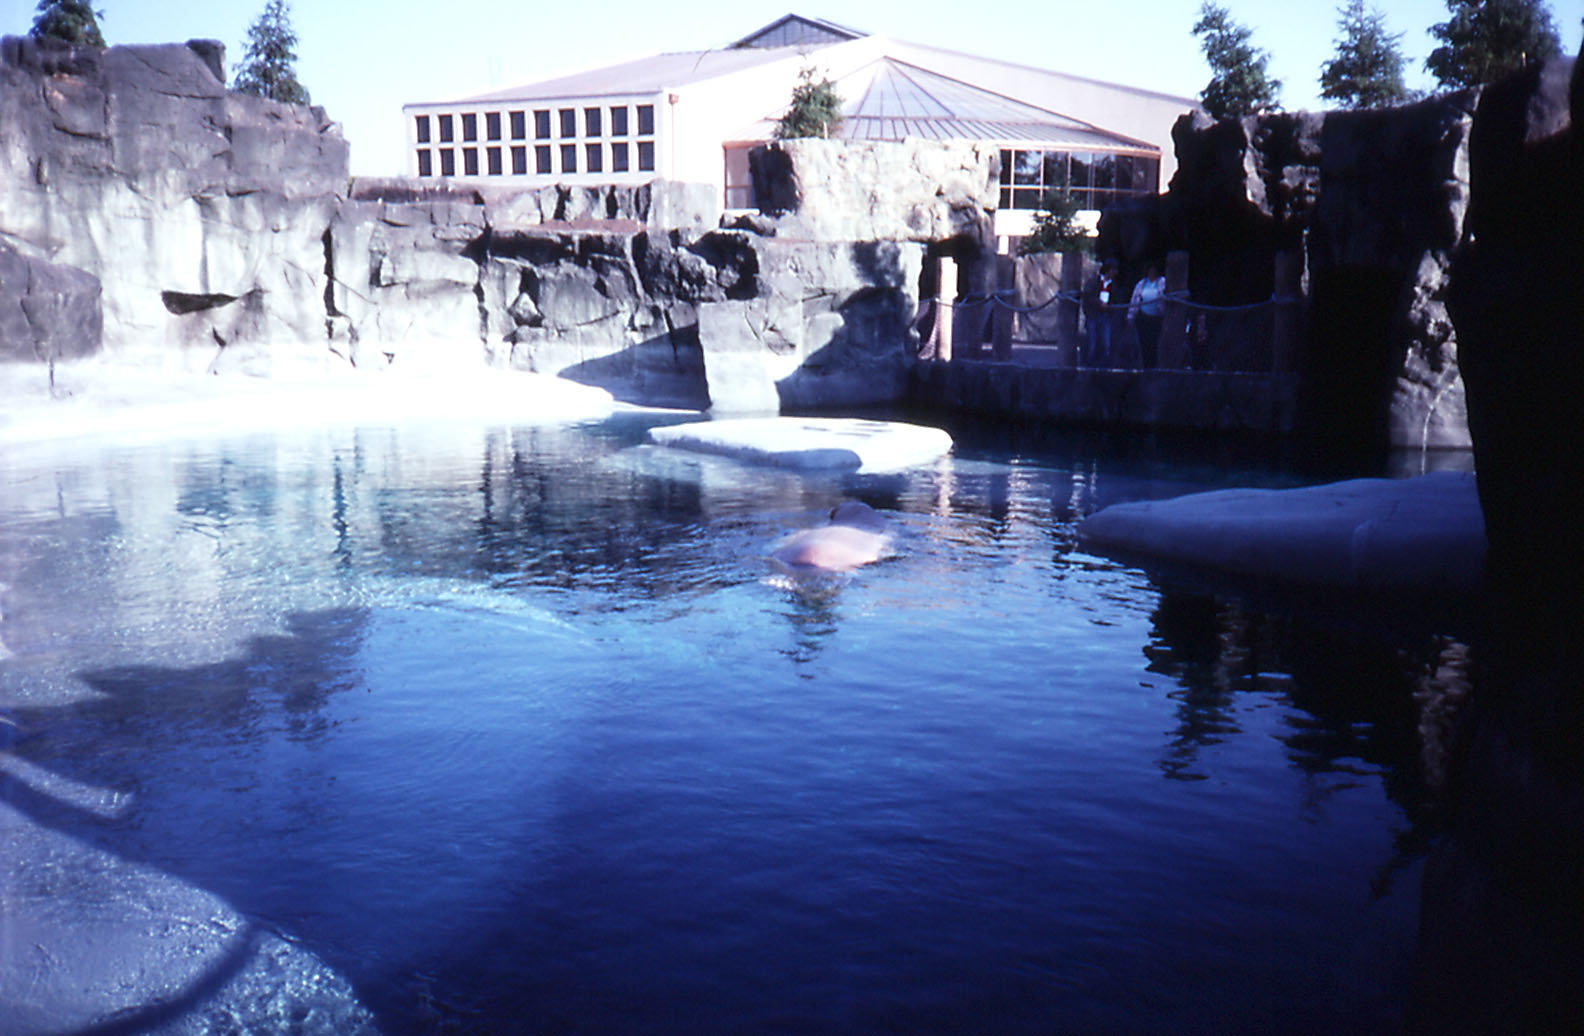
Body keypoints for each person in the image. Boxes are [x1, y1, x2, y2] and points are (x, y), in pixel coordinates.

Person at [1127, 261, 1167, 368]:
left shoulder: (1162, 282)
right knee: (1143, 342)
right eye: (1150, 270)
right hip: (1143, 317)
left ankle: (1154, 365)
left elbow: (1165, 296)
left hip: (1156, 317)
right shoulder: (1141, 284)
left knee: (1153, 342)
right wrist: (1130, 316)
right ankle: (1146, 366)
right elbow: (1134, 299)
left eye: (1154, 270)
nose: (1152, 272)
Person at [1084, 259, 1121, 367]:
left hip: (1106, 316)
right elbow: (1087, 296)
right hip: (1093, 315)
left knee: (1105, 343)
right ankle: (1090, 367)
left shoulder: (1113, 285)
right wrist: (1098, 303)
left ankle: (1103, 367)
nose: (1115, 273)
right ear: (1108, 270)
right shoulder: (1093, 281)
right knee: (1092, 342)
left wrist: (1110, 306)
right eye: (1113, 270)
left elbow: (1115, 299)